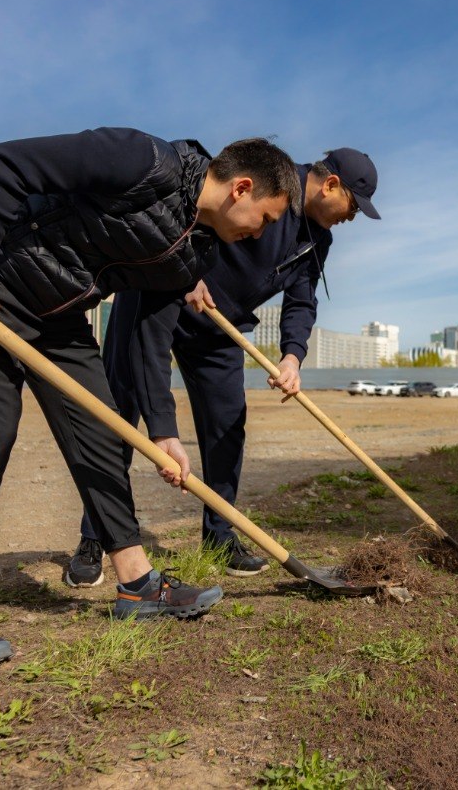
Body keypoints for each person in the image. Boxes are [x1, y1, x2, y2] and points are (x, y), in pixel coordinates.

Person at [0, 128, 301, 668]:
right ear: (242, 188)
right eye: (265, 219)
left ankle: (137, 585)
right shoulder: (143, 162)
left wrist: (163, 432)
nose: (261, 235)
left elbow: (151, 339)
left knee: (100, 432)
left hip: (57, 307)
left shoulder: (195, 250)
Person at [63, 149, 381, 587]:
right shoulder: (269, 178)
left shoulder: (318, 240)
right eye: (354, 207)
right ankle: (95, 535)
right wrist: (183, 270)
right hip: (162, 293)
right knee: (121, 418)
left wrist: (292, 356)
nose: (353, 218)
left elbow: (302, 300)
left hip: (220, 327)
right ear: (331, 185)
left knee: (228, 426)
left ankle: (219, 536)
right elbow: (200, 207)